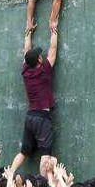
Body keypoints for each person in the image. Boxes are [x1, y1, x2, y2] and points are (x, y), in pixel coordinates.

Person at [10, 14, 59, 177]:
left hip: (30, 117)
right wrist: (54, 31)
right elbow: (52, 51)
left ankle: (9, 175)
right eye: (40, 55)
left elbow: (26, 51)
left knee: (24, 151)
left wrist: (28, 33)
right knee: (45, 153)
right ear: (39, 59)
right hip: (41, 118)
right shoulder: (43, 70)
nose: (42, 55)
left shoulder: (26, 71)